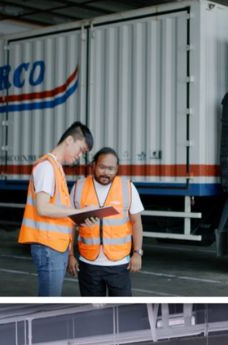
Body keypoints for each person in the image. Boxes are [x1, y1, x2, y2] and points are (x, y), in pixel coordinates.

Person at [19, 121, 93, 296]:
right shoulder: (46, 168)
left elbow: (58, 211)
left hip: (55, 246)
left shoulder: (56, 168)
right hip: (48, 247)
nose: (79, 156)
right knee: (50, 299)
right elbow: (43, 208)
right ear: (69, 140)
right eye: (80, 150)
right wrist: (78, 212)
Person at [68, 148, 143, 297]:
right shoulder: (79, 187)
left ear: (117, 169)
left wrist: (137, 253)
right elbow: (69, 224)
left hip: (119, 264)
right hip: (88, 264)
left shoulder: (127, 187)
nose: (106, 172)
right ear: (94, 165)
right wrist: (70, 255)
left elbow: (136, 223)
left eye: (111, 168)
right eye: (102, 167)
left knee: (123, 310)